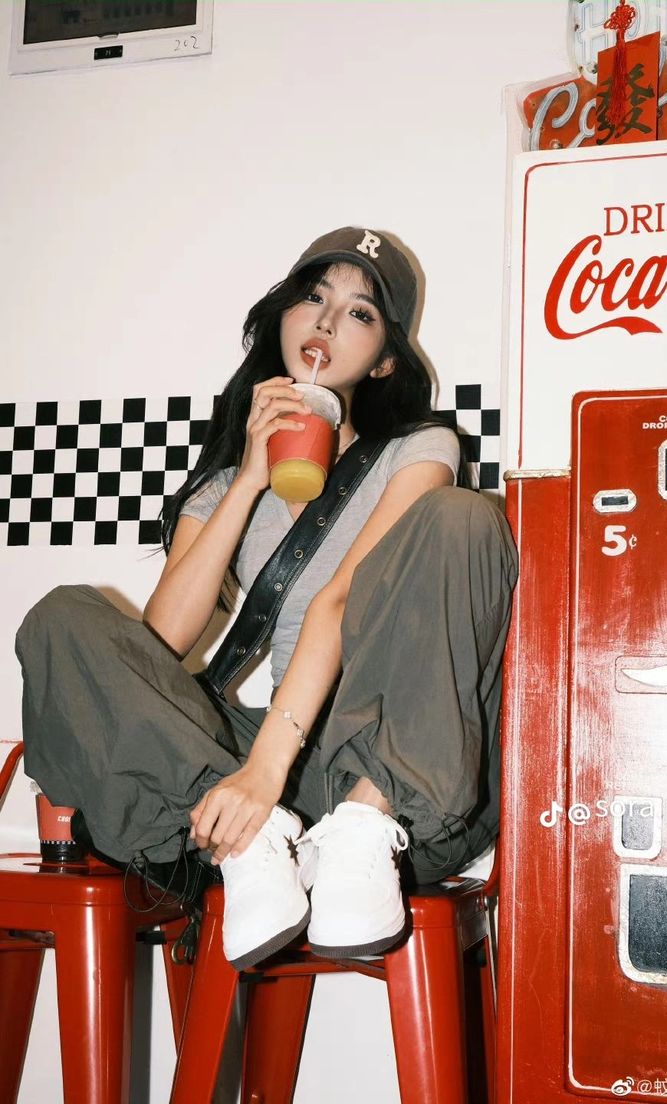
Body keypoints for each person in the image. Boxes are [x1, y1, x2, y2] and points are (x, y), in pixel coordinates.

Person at [16, 226, 518, 970]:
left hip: (389, 767)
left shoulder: (422, 449)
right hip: (267, 787)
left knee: (464, 518)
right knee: (62, 616)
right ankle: (250, 841)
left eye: (359, 312)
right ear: (283, 315)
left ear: (383, 360)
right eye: (314, 297)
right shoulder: (224, 485)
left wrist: (266, 770)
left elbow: (338, 604)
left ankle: (360, 825)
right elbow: (161, 645)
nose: (324, 321)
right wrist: (249, 474)